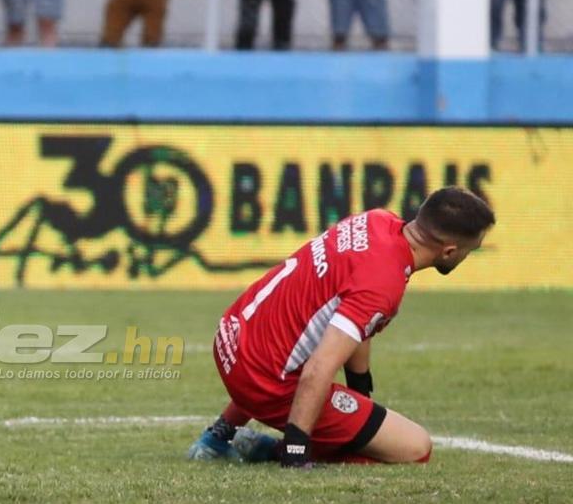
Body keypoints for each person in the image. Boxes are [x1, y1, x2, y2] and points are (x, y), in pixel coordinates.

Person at [187, 187, 495, 467]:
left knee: (291, 339)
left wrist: (360, 394)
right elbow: (319, 367)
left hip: (235, 335)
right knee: (416, 448)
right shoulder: (382, 282)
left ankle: (217, 436)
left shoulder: (376, 220)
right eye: (471, 250)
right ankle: (270, 450)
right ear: (450, 251)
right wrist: (295, 449)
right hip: (262, 379)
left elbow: (350, 321)